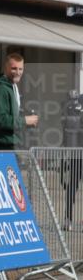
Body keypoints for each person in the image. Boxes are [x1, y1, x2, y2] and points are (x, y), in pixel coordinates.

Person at [0, 53, 39, 150]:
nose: (18, 72)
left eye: (20, 69)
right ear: (5, 68)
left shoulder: (12, 87)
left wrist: (25, 120)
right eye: (14, 68)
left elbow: (9, 117)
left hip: (10, 143)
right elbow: (0, 120)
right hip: (1, 146)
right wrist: (25, 120)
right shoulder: (0, 89)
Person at [63, 90, 82, 231]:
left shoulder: (74, 107)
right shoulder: (75, 106)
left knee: (72, 187)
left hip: (76, 154)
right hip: (77, 155)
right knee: (72, 187)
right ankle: (67, 218)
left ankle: (68, 219)